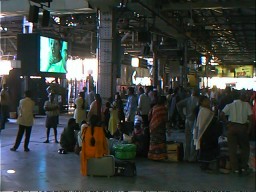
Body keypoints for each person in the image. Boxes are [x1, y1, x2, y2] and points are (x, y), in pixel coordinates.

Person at [220, 91, 253, 175]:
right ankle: (243, 166)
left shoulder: (229, 105)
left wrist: (227, 123)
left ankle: (235, 169)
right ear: (240, 96)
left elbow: (222, 114)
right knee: (245, 147)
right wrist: (249, 129)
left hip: (232, 127)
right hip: (242, 128)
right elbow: (251, 118)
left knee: (232, 149)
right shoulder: (247, 105)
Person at [193, 96, 222, 171]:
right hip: (205, 133)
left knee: (207, 149)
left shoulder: (205, 110)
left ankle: (206, 165)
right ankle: (204, 165)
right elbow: (206, 121)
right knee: (206, 149)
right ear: (202, 102)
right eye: (206, 101)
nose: (208, 102)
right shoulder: (203, 111)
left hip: (208, 133)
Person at [176, 88, 199, 162]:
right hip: (195, 120)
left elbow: (178, 105)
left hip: (187, 120)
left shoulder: (188, 100)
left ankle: (186, 156)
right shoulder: (199, 100)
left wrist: (182, 115)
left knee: (187, 139)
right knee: (194, 138)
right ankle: (192, 157)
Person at [148, 96, 168, 161]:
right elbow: (165, 119)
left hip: (152, 126)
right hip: (159, 128)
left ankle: (152, 156)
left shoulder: (154, 107)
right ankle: (160, 156)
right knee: (160, 142)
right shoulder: (163, 108)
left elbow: (149, 116)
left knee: (153, 142)